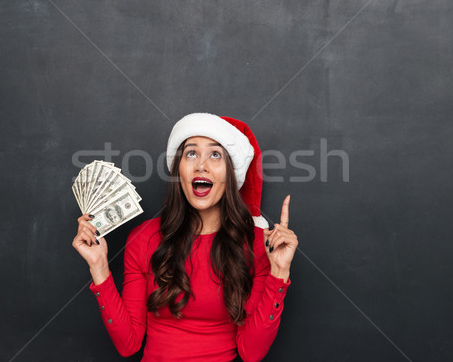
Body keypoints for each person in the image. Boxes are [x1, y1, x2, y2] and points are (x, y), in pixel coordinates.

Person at [73, 113, 298, 361]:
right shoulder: (143, 238)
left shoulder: (259, 245)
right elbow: (129, 344)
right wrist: (99, 267)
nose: (201, 165)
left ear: (231, 173)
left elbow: (251, 353)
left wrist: (279, 274)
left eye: (215, 155)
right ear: (178, 169)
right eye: (191, 153)